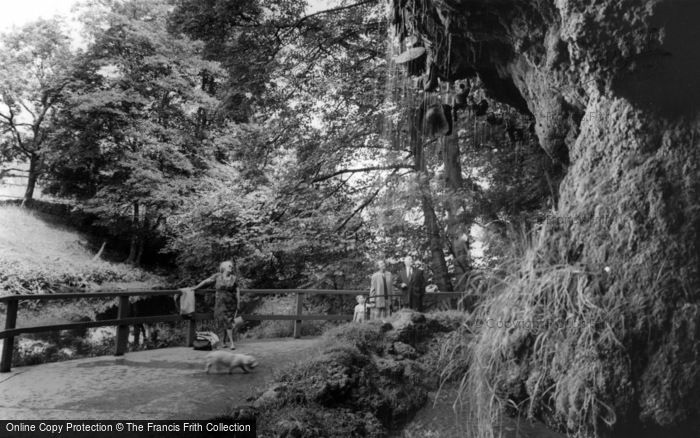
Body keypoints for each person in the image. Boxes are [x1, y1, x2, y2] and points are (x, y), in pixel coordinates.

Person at [181, 260, 241, 350]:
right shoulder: (217, 276)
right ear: (223, 267)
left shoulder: (234, 278)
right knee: (220, 321)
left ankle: (232, 343)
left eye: (232, 266)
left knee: (228, 322)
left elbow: (237, 290)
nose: (231, 268)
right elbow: (206, 282)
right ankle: (223, 341)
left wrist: (238, 302)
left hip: (231, 303)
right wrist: (195, 288)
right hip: (220, 303)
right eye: (229, 266)